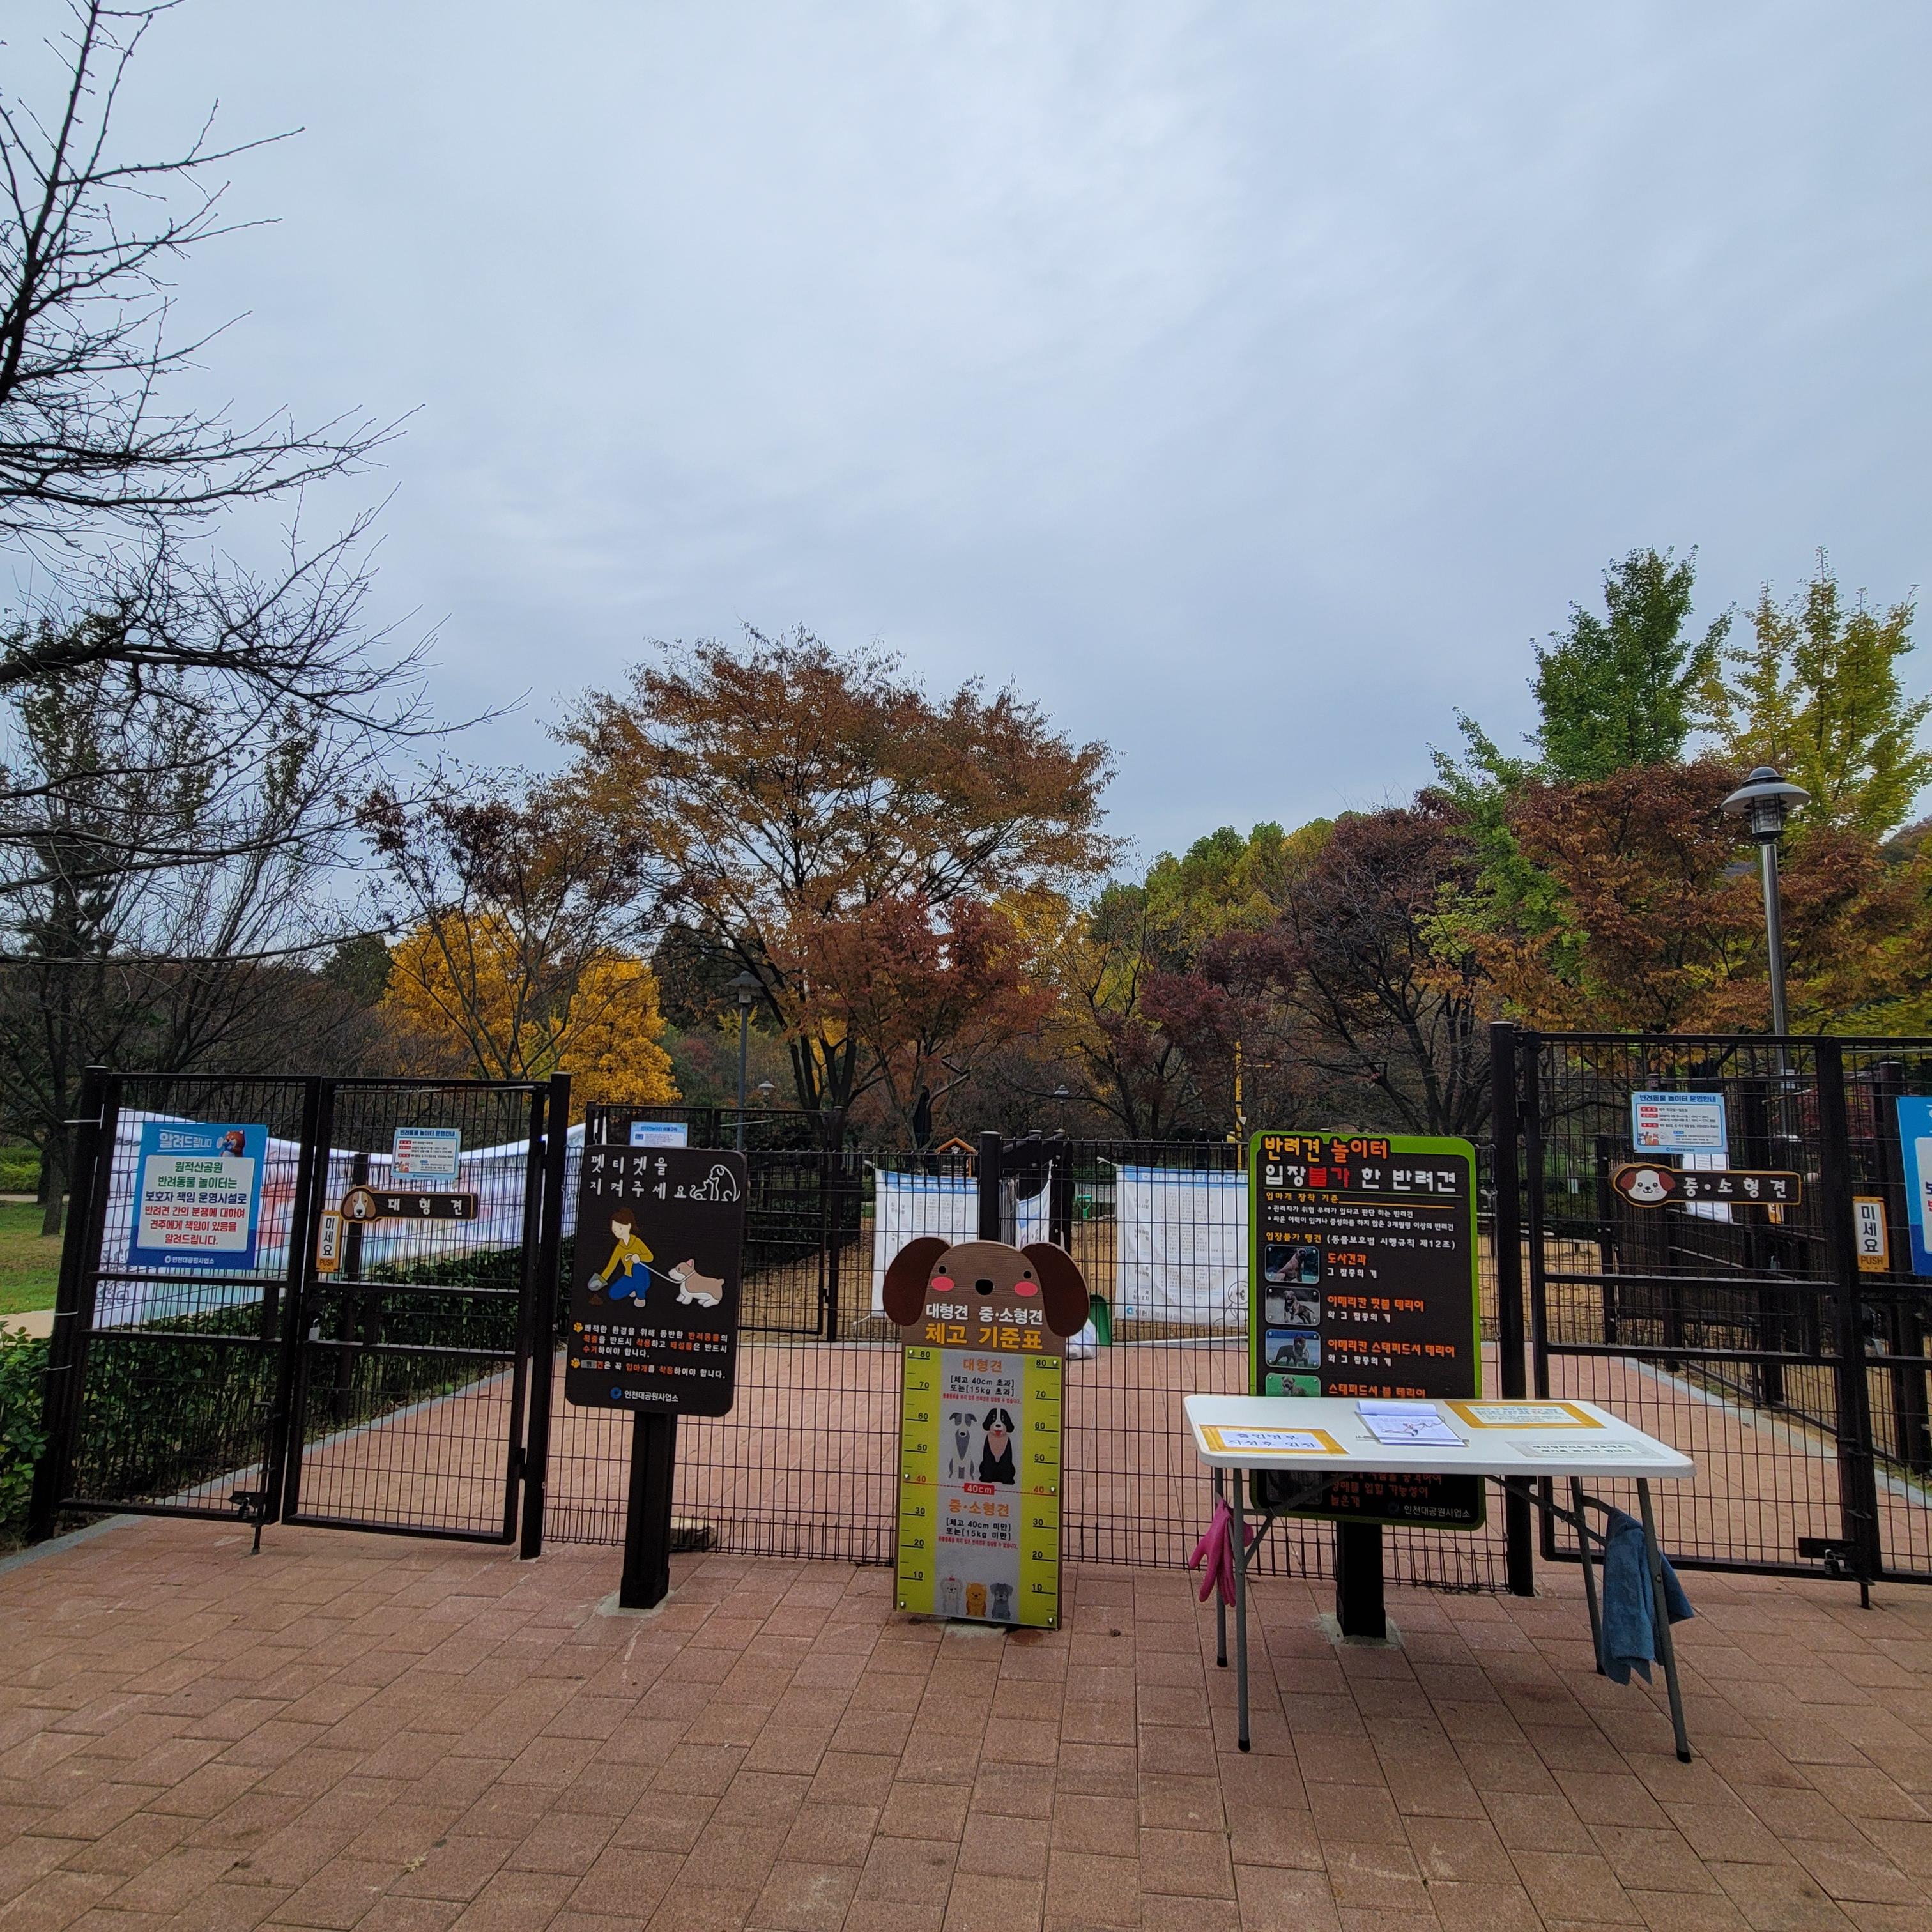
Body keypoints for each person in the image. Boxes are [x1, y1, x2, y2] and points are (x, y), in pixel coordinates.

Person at [594, 1206, 654, 1303]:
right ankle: (636, 1288)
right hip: (629, 1276)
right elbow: (611, 1266)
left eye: (620, 1228)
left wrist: (639, 1257)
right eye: (615, 1230)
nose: (618, 1232)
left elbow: (650, 1257)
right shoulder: (619, 1247)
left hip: (642, 1276)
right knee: (613, 1294)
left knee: (637, 1266)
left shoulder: (637, 1241)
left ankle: (641, 1297)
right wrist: (601, 1280)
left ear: (629, 1226)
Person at [979, 1408, 1016, 1484]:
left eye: (1003, 1419)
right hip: (989, 1469)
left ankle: (1006, 1478)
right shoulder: (988, 1438)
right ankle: (987, 1476)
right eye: (994, 1419)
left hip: (1004, 1468)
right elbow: (987, 1458)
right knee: (987, 1460)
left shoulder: (1007, 1439)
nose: (998, 1424)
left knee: (1007, 1460)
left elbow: (1008, 1459)